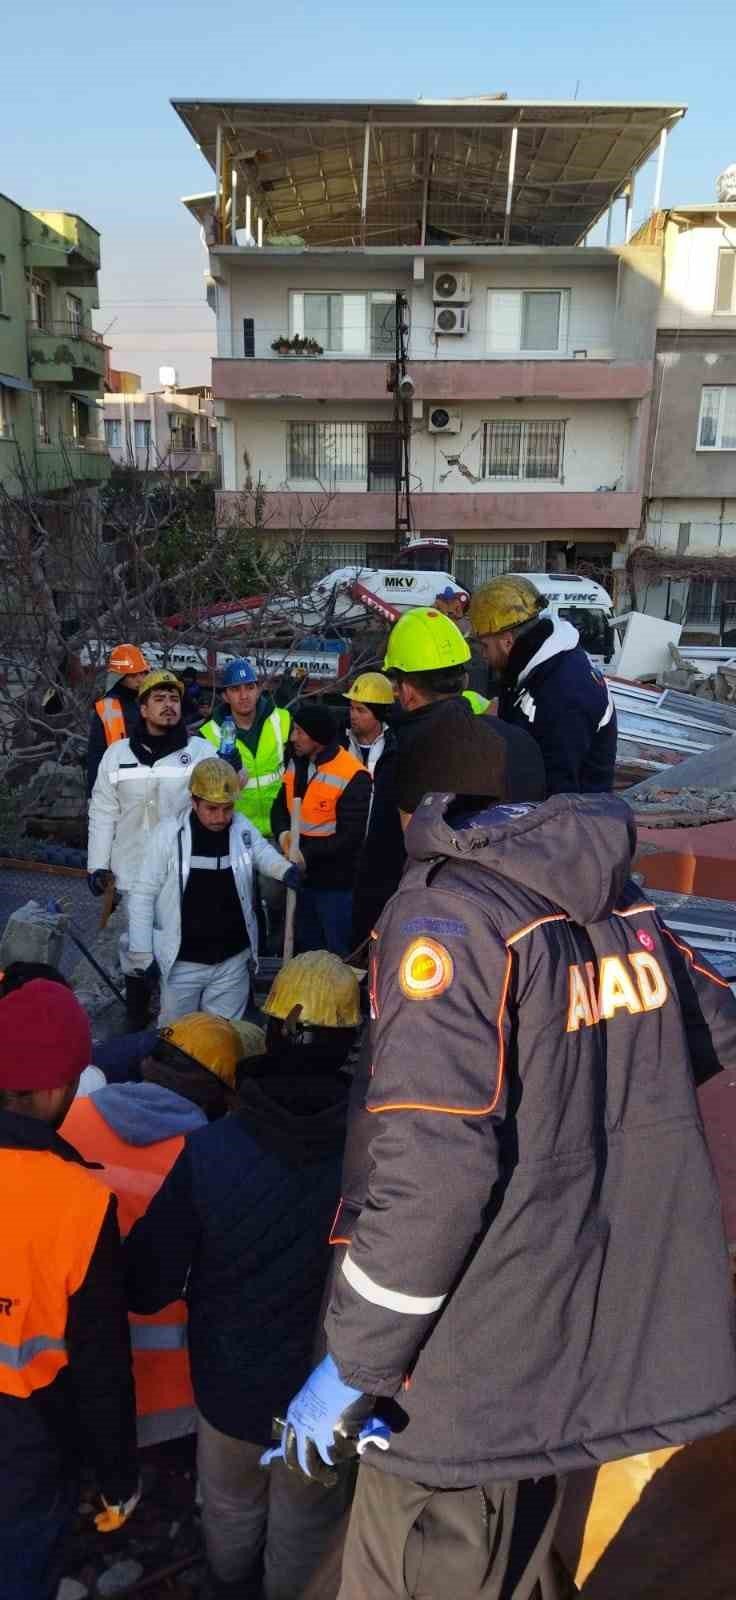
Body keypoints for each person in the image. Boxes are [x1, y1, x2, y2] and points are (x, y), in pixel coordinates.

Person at [270, 784, 736, 1600]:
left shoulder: (446, 920)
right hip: (557, 1354)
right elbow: (705, 1029)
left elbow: (436, 1176)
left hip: (459, 1383)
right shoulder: (616, 898)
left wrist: (357, 1361)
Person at [124, 952, 359, 1600]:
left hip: (228, 1388)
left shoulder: (211, 1151)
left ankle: (228, 1588)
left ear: (272, 1029)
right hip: (329, 1393)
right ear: (351, 1042)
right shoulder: (374, 1156)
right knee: (306, 1527)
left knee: (229, 1510)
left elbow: (147, 1282)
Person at [63, 1011, 262, 1448]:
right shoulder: (214, 1160)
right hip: (172, 1395)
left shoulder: (67, 1122)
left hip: (67, 1368)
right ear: (219, 1094)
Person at [0, 980, 139, 1600]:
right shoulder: (79, 1204)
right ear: (58, 1087)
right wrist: (117, 1475)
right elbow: (101, 1363)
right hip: (24, 1451)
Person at [128, 756, 300, 1022]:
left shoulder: (240, 826)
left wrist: (284, 870)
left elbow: (260, 852)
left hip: (232, 962)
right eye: (212, 809)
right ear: (194, 802)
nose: (221, 817)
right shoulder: (168, 835)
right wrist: (142, 953)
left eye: (227, 808)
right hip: (183, 964)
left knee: (224, 1038)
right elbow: (142, 895)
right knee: (177, 1039)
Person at [87, 669, 212, 1027]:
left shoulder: (199, 752)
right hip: (130, 871)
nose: (168, 706)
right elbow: (103, 811)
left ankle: (177, 1026)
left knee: (180, 948)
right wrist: (97, 865)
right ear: (142, 708)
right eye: (159, 699)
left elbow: (217, 804)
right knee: (134, 947)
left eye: (173, 699)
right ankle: (136, 1017)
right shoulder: (117, 755)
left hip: (180, 873)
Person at [384, 606, 545, 818]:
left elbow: (389, 843)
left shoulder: (403, 756)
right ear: (465, 680)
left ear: (406, 691)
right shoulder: (522, 743)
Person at [468, 575, 618, 794]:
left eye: (484, 646)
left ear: (507, 641)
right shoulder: (530, 668)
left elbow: (559, 792)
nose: (483, 655)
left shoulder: (565, 691)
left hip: (572, 818)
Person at [271, 702, 371, 957]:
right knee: (305, 951)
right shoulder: (297, 764)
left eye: (299, 731)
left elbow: (350, 837)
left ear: (317, 736)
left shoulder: (353, 775)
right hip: (301, 880)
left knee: (335, 953)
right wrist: (284, 837)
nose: (293, 737)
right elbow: (280, 809)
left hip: (335, 885)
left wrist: (306, 853)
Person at [341, 672, 403, 955]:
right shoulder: (339, 745)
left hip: (382, 859)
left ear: (378, 714)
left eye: (361, 709)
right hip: (342, 854)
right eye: (351, 708)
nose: (353, 715)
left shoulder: (398, 747)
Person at [201, 658, 291, 839]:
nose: (244, 695)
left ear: (258, 690)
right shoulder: (208, 734)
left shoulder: (283, 720)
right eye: (235, 689)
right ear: (225, 696)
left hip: (282, 831)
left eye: (249, 687)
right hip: (236, 834)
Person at [87, 643, 150, 795]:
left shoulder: (143, 701)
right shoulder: (109, 707)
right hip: (116, 786)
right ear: (120, 677)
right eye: (134, 675)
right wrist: (94, 794)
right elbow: (97, 753)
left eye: (142, 673)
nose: (140, 679)